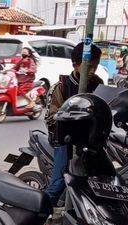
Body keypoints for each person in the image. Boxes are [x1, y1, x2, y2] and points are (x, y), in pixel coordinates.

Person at [44, 42, 104, 205]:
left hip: (90, 141)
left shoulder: (99, 85)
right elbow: (51, 118)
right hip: (65, 141)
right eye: (88, 67)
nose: (92, 71)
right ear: (75, 65)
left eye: (96, 66)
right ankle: (37, 218)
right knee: (59, 183)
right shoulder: (61, 87)